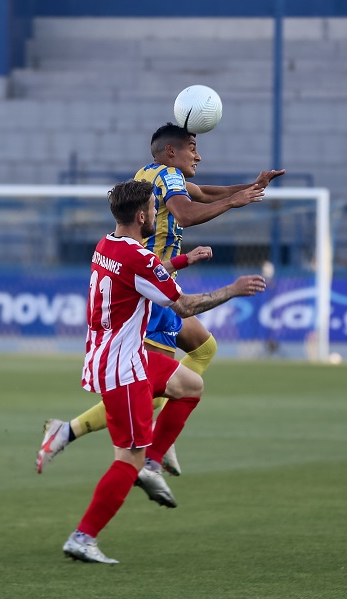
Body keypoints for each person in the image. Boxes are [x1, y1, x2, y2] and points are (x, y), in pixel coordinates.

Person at [38, 123, 284, 476]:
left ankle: (159, 444)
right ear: (172, 152)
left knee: (204, 348)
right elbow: (186, 212)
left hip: (159, 284)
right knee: (151, 388)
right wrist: (234, 201)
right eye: (192, 147)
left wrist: (253, 186)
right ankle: (78, 433)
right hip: (151, 293)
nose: (198, 155)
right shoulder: (168, 177)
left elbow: (202, 192)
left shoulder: (150, 173)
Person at [62, 180, 265, 563]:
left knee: (190, 384)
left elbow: (142, 278)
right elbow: (185, 306)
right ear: (142, 216)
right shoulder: (140, 259)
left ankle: (155, 458)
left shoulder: (107, 245)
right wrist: (234, 289)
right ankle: (83, 536)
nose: (159, 214)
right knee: (128, 460)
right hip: (124, 368)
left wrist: (183, 261)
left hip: (115, 355)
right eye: (156, 209)